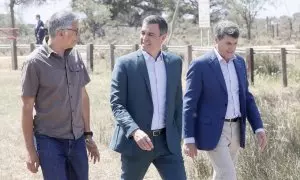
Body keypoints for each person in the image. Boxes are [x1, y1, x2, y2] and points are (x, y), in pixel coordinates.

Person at [182, 20, 267, 180]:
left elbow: (246, 98)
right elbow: (189, 103)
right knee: (228, 174)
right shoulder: (200, 65)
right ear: (216, 40)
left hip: (236, 128)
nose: (232, 47)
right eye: (228, 43)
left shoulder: (240, 63)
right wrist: (188, 137)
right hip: (213, 130)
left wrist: (258, 128)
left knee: (222, 175)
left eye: (235, 43)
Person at [21, 11, 100, 180]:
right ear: (60, 33)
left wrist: (88, 135)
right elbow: (27, 109)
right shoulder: (34, 63)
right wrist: (30, 151)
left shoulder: (76, 56)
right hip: (50, 141)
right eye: (75, 31)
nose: (78, 36)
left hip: (77, 140)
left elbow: (83, 97)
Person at [110, 15, 186, 180]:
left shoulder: (175, 63)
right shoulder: (125, 64)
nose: (144, 38)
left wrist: (179, 133)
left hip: (168, 143)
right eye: (143, 33)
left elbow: (178, 102)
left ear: (163, 38)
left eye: (150, 34)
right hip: (136, 143)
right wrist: (135, 131)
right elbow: (117, 104)